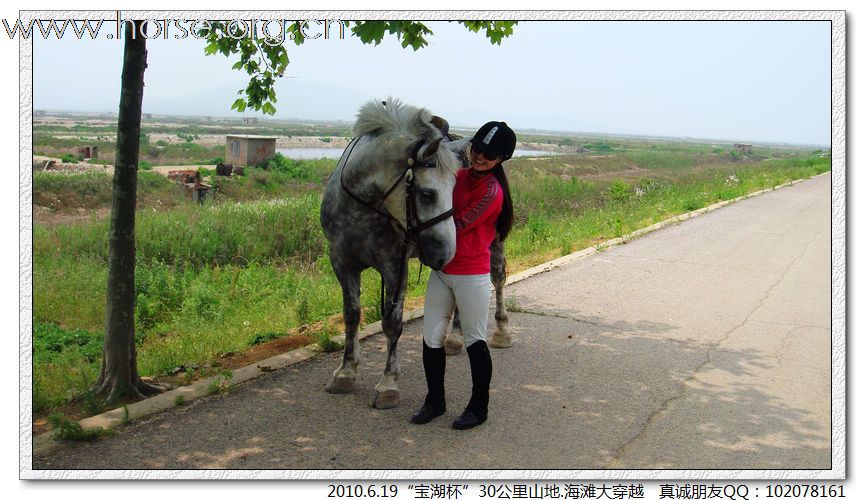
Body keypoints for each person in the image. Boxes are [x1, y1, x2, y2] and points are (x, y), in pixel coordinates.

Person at [411, 121, 516, 430]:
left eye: (490, 154)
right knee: (431, 338)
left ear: (501, 160)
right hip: (443, 273)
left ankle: (478, 407)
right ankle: (435, 401)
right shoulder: (456, 177)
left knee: (474, 341)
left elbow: (454, 226)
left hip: (471, 275)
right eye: (478, 149)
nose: (481, 156)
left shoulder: (492, 193)